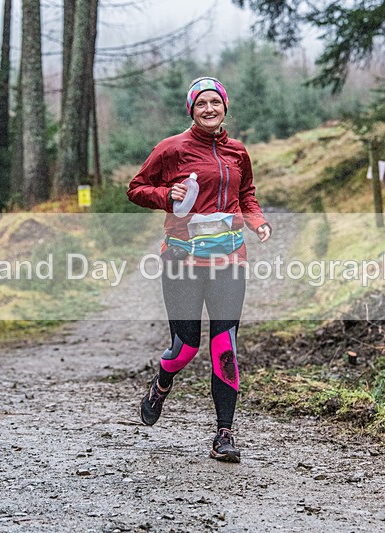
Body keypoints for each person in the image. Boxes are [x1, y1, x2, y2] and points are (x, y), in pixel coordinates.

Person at [127, 76, 271, 463]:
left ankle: (224, 434)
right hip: (181, 260)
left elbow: (246, 195)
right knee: (186, 347)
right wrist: (165, 194)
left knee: (225, 346)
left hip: (229, 260)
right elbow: (136, 188)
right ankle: (161, 383)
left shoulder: (238, 152)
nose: (209, 108)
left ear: (225, 106)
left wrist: (257, 222)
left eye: (215, 102)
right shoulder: (171, 149)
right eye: (201, 103)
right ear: (191, 109)